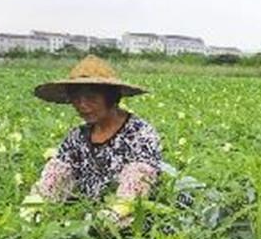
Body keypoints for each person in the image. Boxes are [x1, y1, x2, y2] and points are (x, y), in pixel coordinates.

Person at [25, 55, 162, 224]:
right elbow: (55, 176)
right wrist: (34, 207)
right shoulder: (77, 136)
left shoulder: (139, 133)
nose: (82, 105)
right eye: (76, 99)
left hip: (128, 220)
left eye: (91, 98)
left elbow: (137, 183)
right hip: (85, 216)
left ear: (111, 97)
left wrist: (113, 214)